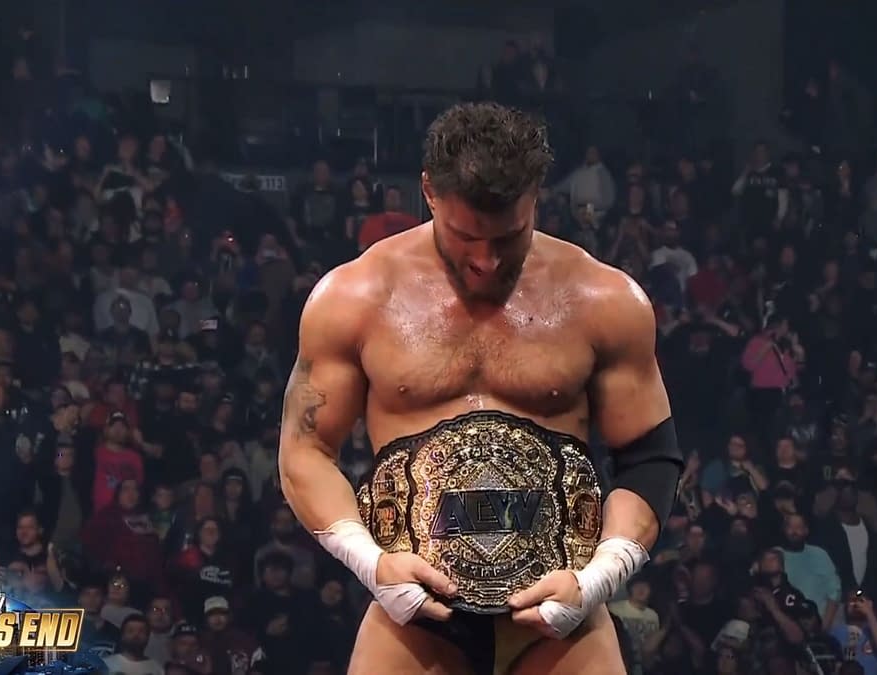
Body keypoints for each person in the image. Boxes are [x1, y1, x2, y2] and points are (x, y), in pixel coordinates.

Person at [278, 102, 683, 674]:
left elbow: (648, 457)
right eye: (466, 237)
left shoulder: (605, 301)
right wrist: (371, 565)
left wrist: (597, 580)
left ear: (537, 195)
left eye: (508, 237)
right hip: (417, 623)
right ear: (429, 192)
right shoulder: (354, 298)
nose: (487, 262)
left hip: (559, 620)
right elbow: (305, 451)